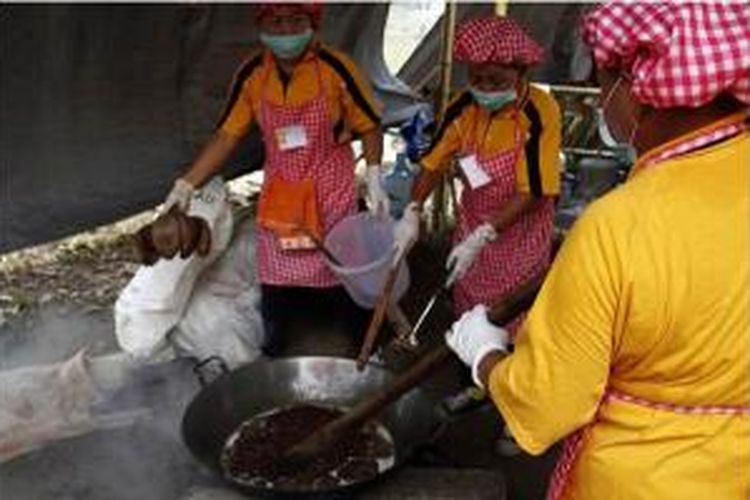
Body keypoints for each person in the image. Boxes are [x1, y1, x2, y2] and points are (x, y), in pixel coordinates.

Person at [444, 2, 750, 499]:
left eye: (603, 83)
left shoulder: (617, 227)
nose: (600, 99)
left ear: (636, 89)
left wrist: (486, 356)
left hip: (638, 482)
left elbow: (548, 404)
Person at [161, 3, 386, 356]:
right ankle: (275, 348)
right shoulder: (253, 74)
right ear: (261, 25)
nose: (285, 31)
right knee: (278, 275)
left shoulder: (337, 67)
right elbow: (227, 136)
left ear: (312, 23)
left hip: (331, 188)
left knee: (344, 270)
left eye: (295, 20)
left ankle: (362, 346)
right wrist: (186, 184)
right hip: (282, 190)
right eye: (275, 21)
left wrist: (373, 173)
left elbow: (370, 123)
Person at [392, 16, 561, 331]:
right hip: (473, 220)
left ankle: (506, 367)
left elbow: (534, 189)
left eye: (496, 81)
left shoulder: (540, 111)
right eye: (476, 78)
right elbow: (432, 163)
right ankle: (466, 355)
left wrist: (483, 237)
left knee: (511, 315)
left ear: (521, 72)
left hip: (520, 235)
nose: (484, 89)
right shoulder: (463, 106)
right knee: (468, 303)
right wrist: (412, 211)